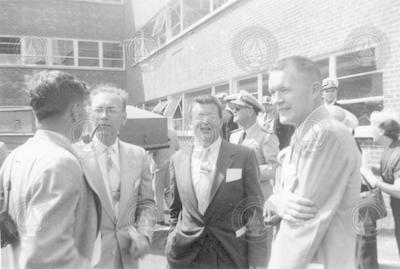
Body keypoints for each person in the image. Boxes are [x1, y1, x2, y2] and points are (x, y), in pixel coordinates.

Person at [265, 56, 361, 268]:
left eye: (285, 90)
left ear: (315, 90)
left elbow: (300, 224)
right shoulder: (306, 132)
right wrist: (275, 200)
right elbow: (286, 199)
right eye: (272, 92)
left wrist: (277, 201)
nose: (276, 100)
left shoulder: (323, 133)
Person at [0, 70, 101, 268]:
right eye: (86, 109)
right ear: (75, 111)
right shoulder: (61, 163)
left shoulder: (15, 156)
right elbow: (46, 257)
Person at [166, 95, 268, 269]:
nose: (205, 121)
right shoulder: (178, 159)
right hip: (185, 257)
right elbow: (175, 210)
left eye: (211, 116)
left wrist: (258, 262)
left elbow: (254, 211)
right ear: (190, 122)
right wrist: (172, 239)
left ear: (221, 121)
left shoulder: (243, 156)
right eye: (199, 116)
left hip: (229, 255)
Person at [77, 85, 156, 269]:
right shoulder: (74, 155)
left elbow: (147, 203)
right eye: (98, 110)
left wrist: (144, 234)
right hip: (88, 259)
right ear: (90, 114)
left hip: (127, 256)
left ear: (124, 117)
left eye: (111, 110)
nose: (104, 116)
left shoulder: (138, 155)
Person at [363, 112, 400, 257]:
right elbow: (390, 170)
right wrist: (371, 168)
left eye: (373, 126)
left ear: (383, 130)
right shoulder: (391, 148)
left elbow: (398, 190)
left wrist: (373, 180)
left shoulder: (398, 152)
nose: (370, 130)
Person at [229, 90, 279, 198]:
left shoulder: (266, 136)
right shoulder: (234, 136)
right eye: (233, 108)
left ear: (250, 111)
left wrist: (248, 171)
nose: (233, 111)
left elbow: (275, 168)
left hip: (257, 198)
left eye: (237, 108)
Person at [151, 121, 180, 224]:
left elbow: (150, 150)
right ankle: (175, 216)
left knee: (157, 193)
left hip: (158, 165)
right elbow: (177, 148)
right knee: (169, 192)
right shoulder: (172, 132)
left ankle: (160, 219)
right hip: (171, 164)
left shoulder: (154, 132)